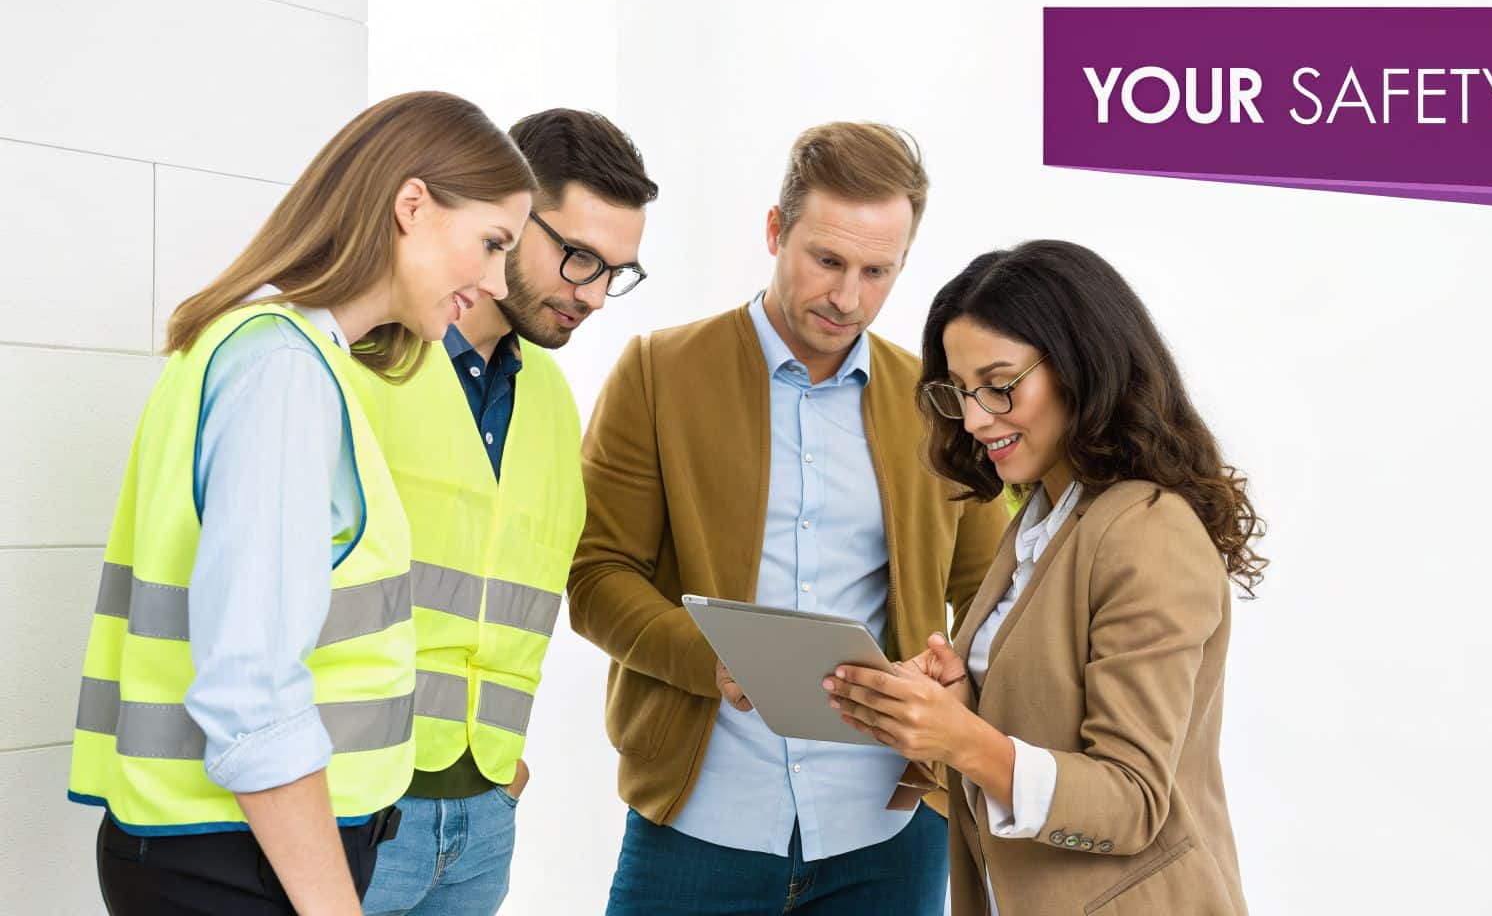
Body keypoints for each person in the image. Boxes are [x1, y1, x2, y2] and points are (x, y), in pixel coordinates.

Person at [68, 91, 536, 915]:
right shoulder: (282, 371)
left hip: (224, 852)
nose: (498, 281)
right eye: (492, 243)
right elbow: (249, 693)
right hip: (237, 863)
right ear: (412, 204)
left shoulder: (282, 354)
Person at [568, 122, 1008, 915]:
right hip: (700, 815)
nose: (848, 297)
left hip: (891, 827)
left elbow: (996, 593)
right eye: (828, 260)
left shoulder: (941, 404)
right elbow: (596, 578)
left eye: (879, 271)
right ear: (776, 230)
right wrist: (710, 659)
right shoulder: (659, 374)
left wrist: (958, 677)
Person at [826, 239, 1263, 915]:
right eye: (960, 392)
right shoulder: (1043, 518)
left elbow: (1131, 800)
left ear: (1080, 368)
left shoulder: (1146, 531)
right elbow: (1044, 724)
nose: (975, 419)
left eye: (1000, 385)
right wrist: (959, 703)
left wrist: (961, 736)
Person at [357, 108, 658, 916]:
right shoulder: (361, 358)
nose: (594, 295)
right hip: (350, 809)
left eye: (616, 271)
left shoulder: (553, 402)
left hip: (483, 817)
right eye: (579, 258)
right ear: (510, 215)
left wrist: (502, 785)